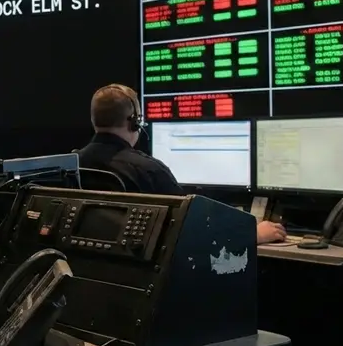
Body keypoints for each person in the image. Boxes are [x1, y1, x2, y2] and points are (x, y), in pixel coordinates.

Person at [77, 84, 286, 244]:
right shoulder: (149, 170)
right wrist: (252, 234)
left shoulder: (69, 166)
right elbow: (191, 231)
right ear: (135, 122)